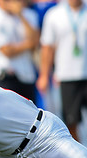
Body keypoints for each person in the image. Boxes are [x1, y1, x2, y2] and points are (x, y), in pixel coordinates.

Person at [37, 0, 87, 142]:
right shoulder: (54, 14)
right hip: (66, 75)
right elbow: (47, 47)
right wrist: (44, 75)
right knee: (71, 121)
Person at [0, 0, 40, 102]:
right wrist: (29, 44)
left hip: (27, 76)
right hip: (4, 77)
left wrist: (21, 16)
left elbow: (36, 41)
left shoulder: (28, 14)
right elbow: (7, 51)